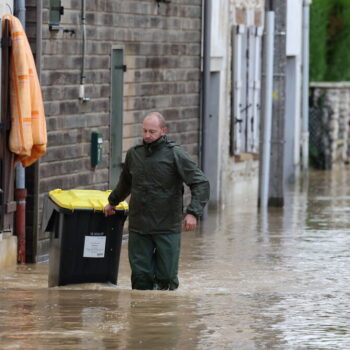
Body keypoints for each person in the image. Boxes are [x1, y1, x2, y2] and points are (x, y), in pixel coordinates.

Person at [104, 112, 210, 290]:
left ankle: (165, 314)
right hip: (139, 226)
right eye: (144, 131)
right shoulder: (134, 154)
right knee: (140, 279)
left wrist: (193, 212)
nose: (147, 135)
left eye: (152, 131)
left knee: (167, 278)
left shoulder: (175, 154)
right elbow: (125, 183)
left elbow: (201, 183)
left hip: (167, 226)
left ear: (163, 131)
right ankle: (143, 315)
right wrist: (112, 202)